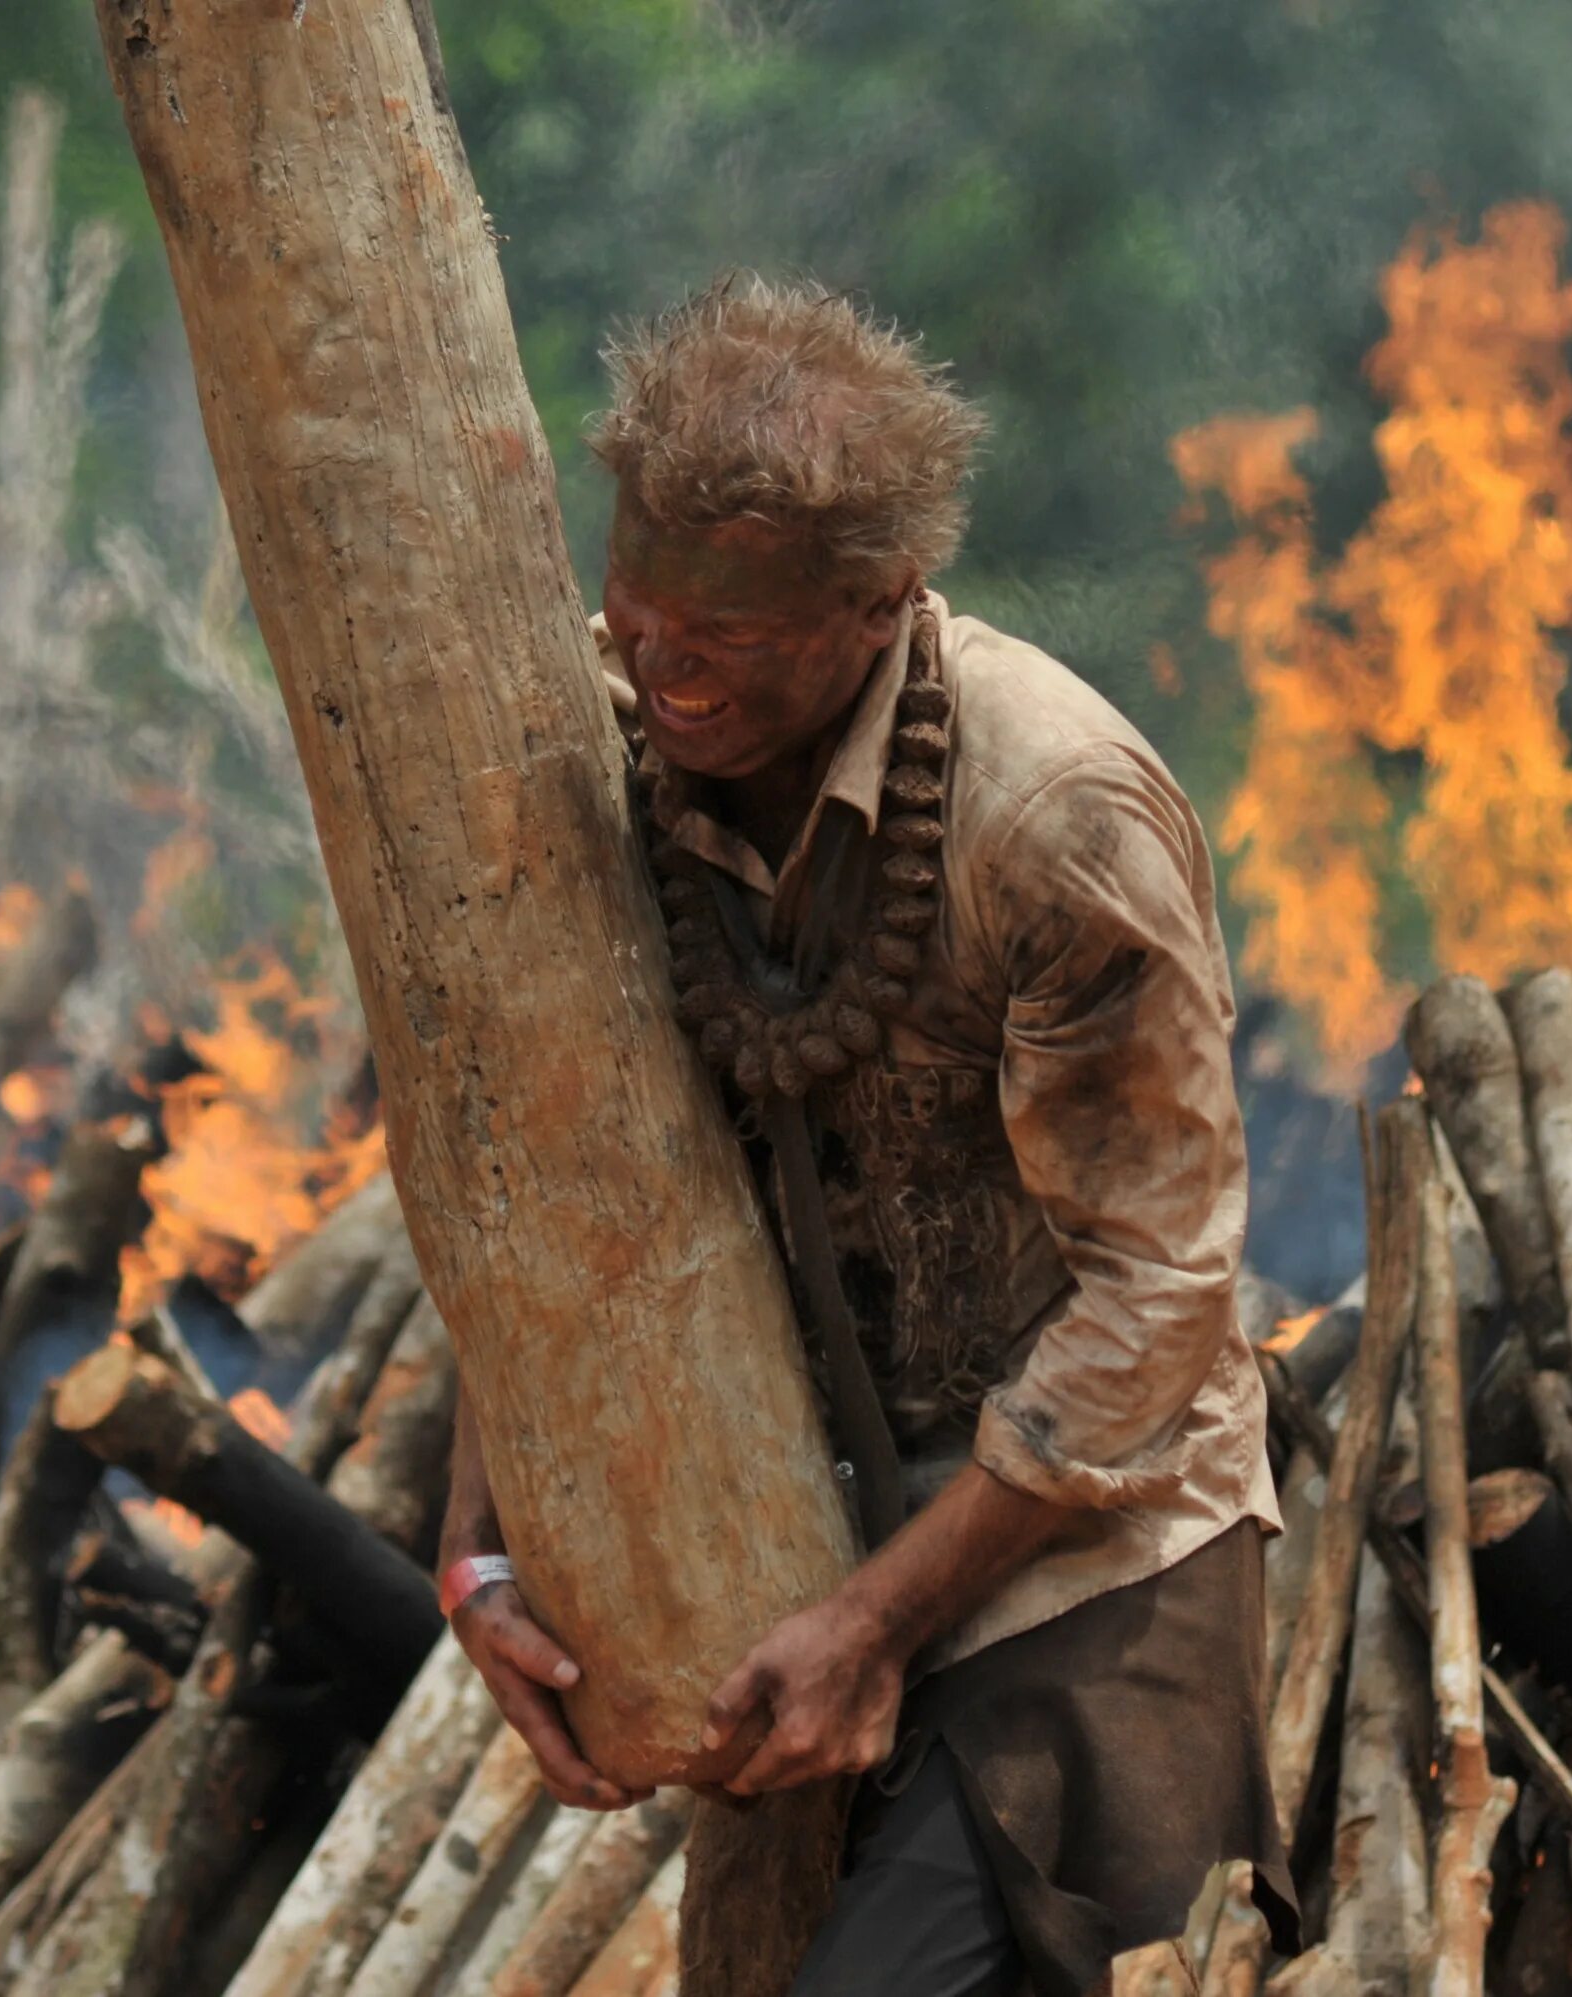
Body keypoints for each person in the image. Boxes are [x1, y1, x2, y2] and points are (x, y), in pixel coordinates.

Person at [432, 273, 1292, 1997]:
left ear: (877, 602)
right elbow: (535, 1171)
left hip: (1088, 1559)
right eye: (636, 605)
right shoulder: (594, 744)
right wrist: (485, 1541)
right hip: (783, 1541)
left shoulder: (1053, 817)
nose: (662, 663)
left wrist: (879, 1617)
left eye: (727, 637)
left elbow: (1157, 1301)